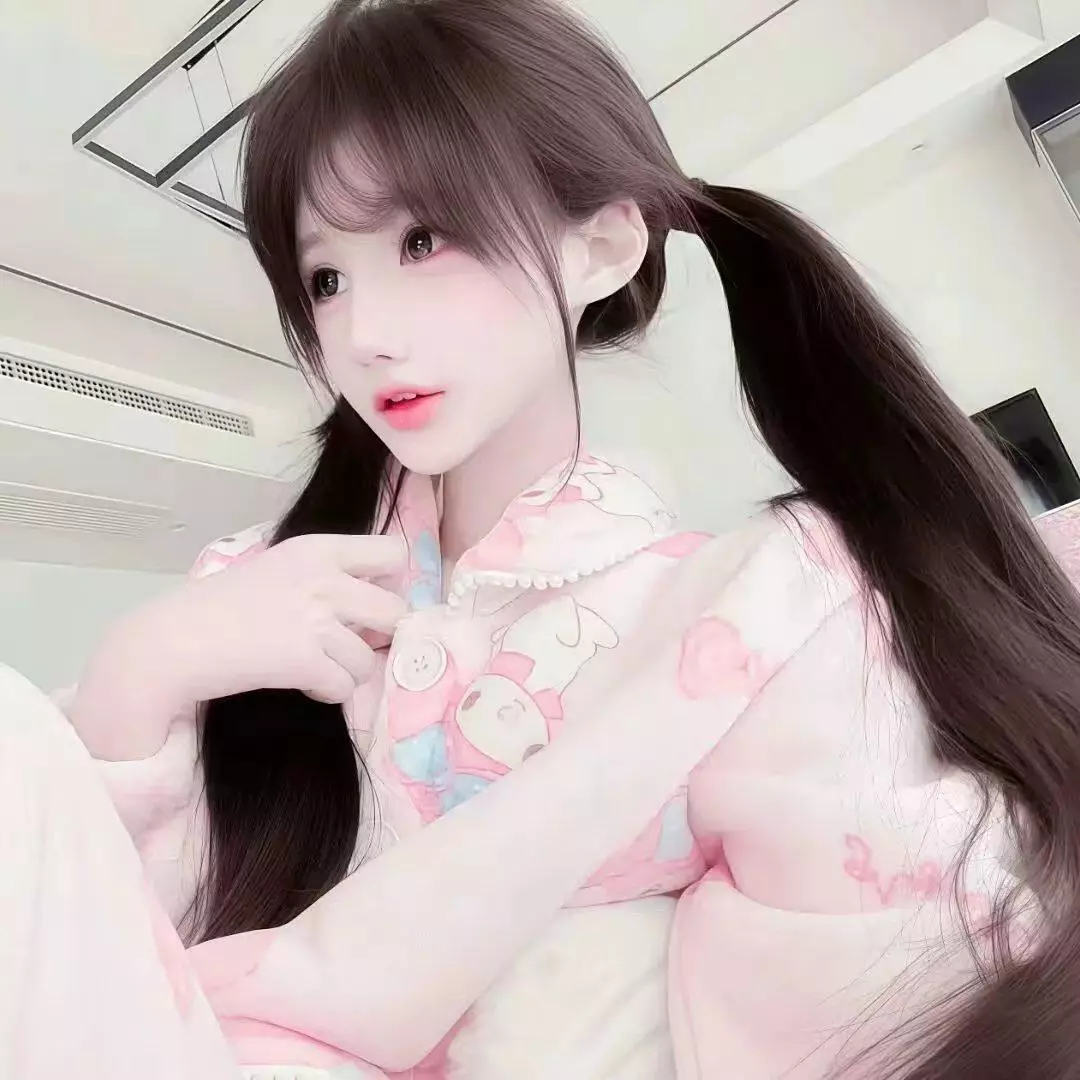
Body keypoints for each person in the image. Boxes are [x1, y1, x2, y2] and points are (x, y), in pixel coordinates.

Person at [5, 0, 1079, 1077]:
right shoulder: (252, 593)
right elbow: (111, 966)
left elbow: (858, 994)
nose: (363, 334)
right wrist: (139, 672)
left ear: (601, 248)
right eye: (326, 278)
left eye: (422, 240)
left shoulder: (719, 626)